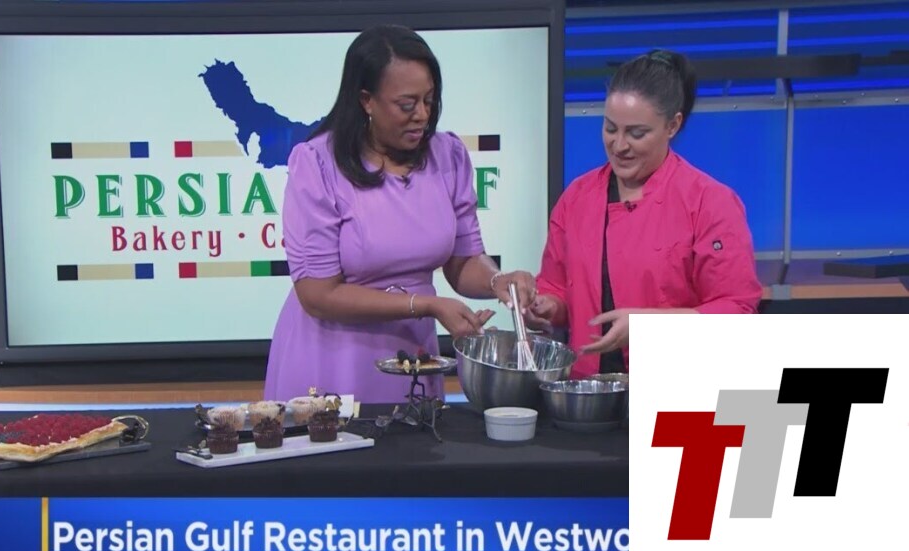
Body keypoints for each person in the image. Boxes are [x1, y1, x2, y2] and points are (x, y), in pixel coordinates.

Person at [264, 24, 536, 403]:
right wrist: (424, 304)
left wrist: (497, 281)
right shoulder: (317, 164)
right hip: (332, 359)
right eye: (407, 105)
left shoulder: (448, 156)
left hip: (411, 354)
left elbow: (464, 261)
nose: (422, 115)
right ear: (366, 100)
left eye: (429, 100)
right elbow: (317, 295)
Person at [525, 49, 761, 378]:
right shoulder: (577, 198)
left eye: (637, 134)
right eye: (610, 128)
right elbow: (556, 286)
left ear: (673, 125)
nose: (619, 145)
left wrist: (648, 327)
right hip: (588, 390)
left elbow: (736, 310)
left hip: (678, 389)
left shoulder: (710, 203)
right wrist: (547, 306)